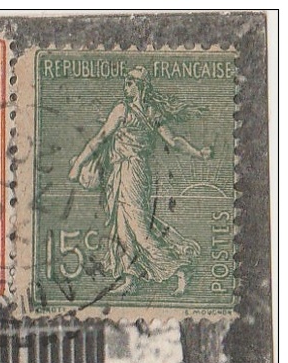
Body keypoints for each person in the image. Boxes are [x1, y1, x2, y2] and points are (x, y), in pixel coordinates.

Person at [68, 66, 210, 294]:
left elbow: (100, 139)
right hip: (126, 171)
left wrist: (197, 153)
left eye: (131, 82)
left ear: (141, 86)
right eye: (126, 82)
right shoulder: (143, 112)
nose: (127, 86)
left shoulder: (127, 111)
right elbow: (101, 139)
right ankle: (130, 278)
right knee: (123, 228)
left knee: (140, 229)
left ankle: (179, 268)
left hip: (132, 171)